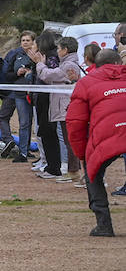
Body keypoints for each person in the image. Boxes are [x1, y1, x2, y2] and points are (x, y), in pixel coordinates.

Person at [66, 47, 125, 237]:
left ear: (96, 65)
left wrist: (83, 155)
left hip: (106, 135)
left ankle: (104, 224)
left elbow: (75, 122)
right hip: (112, 133)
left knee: (93, 172)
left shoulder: (86, 83)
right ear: (118, 63)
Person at [31, 34, 82, 185]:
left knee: (70, 141)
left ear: (65, 50)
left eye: (59, 48)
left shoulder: (68, 65)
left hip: (66, 107)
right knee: (68, 140)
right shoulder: (66, 63)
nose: (57, 51)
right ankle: (72, 171)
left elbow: (48, 75)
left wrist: (40, 64)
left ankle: (74, 171)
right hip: (63, 107)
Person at [0, 32, 37, 162]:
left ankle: (29, 149)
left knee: (33, 123)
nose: (25, 42)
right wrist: (17, 73)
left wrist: (32, 71)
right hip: (19, 93)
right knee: (23, 122)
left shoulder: (38, 55)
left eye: (28, 40)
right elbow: (7, 74)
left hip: (35, 93)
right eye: (23, 40)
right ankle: (23, 152)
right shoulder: (15, 54)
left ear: (33, 42)